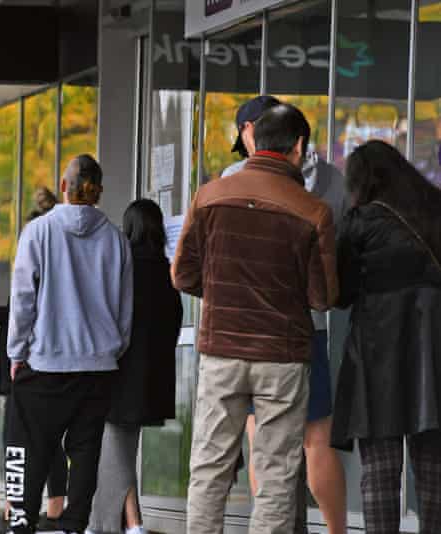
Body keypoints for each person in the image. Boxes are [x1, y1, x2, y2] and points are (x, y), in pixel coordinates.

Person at [173, 104, 338, 533]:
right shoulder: (313, 210)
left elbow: (182, 274)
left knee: (210, 467)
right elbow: (323, 298)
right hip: (282, 356)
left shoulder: (208, 196)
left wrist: (226, 296)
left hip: (221, 350)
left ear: (253, 140)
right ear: (298, 146)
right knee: (277, 473)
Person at [223, 96, 348, 534]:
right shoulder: (332, 180)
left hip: (247, 332)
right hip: (307, 328)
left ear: (252, 131)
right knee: (316, 439)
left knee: (263, 441)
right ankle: (335, 530)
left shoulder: (232, 179)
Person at [5, 154, 134, 534]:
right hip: (98, 367)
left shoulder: (39, 232)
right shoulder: (116, 239)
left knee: (30, 447)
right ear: (98, 193)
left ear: (65, 186)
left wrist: (17, 351)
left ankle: (23, 520)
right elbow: (124, 308)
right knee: (85, 449)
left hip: (45, 362)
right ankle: (74, 524)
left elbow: (23, 298)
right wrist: (114, 349)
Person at [331, 140, 441, 532]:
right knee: (434, 470)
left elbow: (339, 295)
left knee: (379, 469)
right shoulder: (434, 207)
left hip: (378, 350)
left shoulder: (359, 222)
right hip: (434, 351)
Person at [86, 199, 182, 534]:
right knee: (123, 449)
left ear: (129, 229)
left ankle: (103, 526)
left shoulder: (122, 269)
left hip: (120, 375)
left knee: (114, 451)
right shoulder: (168, 272)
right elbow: (173, 324)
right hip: (153, 379)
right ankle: (133, 524)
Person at [0, 187, 69, 534]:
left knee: (17, 440)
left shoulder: (33, 249)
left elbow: (22, 307)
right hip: (50, 361)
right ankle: (52, 512)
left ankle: (15, 512)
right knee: (49, 442)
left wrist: (14, 351)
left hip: (27, 363)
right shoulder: (60, 258)